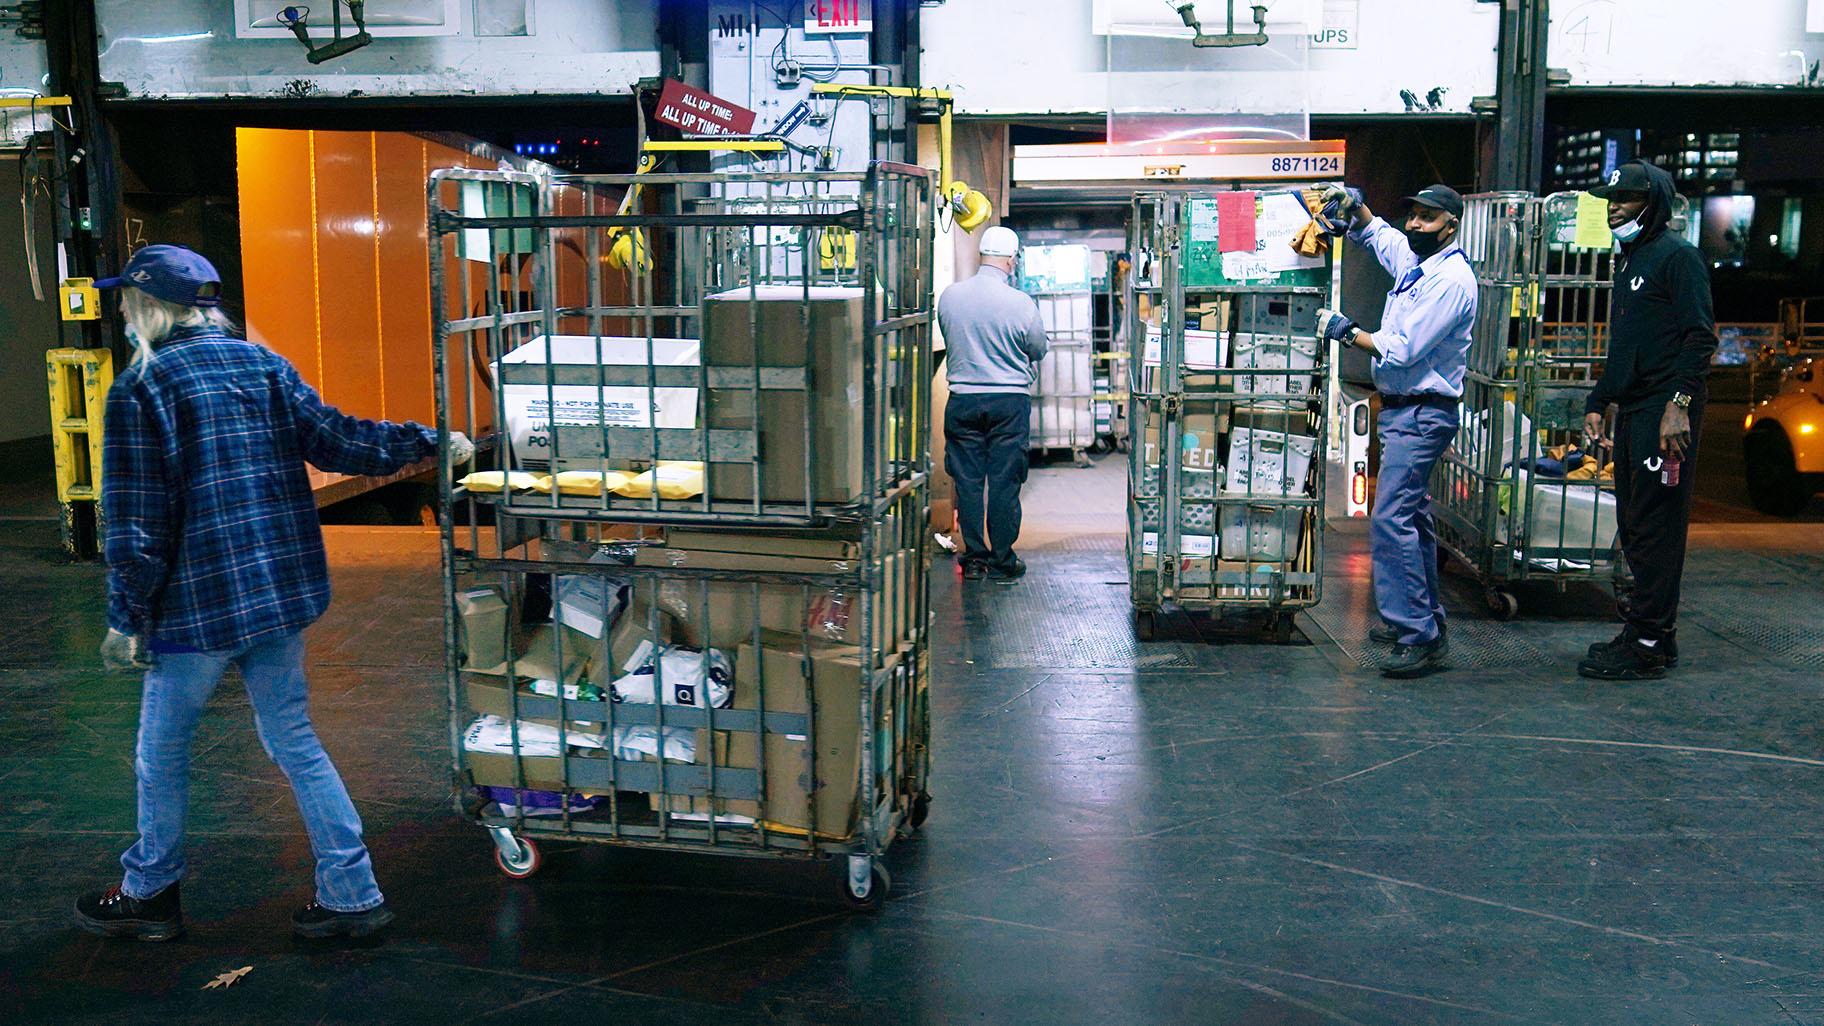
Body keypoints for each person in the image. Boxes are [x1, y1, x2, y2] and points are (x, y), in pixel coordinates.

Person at [74, 245, 471, 941]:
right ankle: (353, 895)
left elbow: (137, 520)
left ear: (147, 305)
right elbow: (342, 442)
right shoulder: (262, 365)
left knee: (160, 754)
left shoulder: (143, 387)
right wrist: (433, 441)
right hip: (277, 596)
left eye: (127, 302)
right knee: (294, 739)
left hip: (197, 608)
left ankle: (151, 894)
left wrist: (125, 618)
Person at [1316, 184, 1476, 678]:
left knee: (1391, 520)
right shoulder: (1418, 263)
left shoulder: (1451, 282)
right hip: (1404, 412)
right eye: (1414, 215)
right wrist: (1357, 206)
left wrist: (1346, 331)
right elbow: (1382, 238)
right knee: (1414, 519)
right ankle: (1422, 616)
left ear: (1451, 224)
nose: (1414, 224)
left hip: (1423, 414)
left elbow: (1403, 349)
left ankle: (1419, 636)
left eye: (1427, 218)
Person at [1577, 161, 1716, 681]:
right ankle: (1649, 630)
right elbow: (1629, 345)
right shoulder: (1632, 259)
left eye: (1627, 199)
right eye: (1610, 200)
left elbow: (1699, 337)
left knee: (1656, 527)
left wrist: (1677, 404)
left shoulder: (1677, 258)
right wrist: (1598, 399)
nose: (1614, 207)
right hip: (1637, 409)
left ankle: (1650, 641)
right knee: (1635, 523)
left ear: (1654, 202)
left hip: (1665, 413)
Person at [937, 225, 1050, 582]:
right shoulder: (1020, 303)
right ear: (1011, 259)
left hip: (963, 402)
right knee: (1004, 481)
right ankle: (1002, 560)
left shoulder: (950, 297)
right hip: (1008, 403)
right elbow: (1038, 349)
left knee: (968, 482)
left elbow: (949, 336)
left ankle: (973, 560)